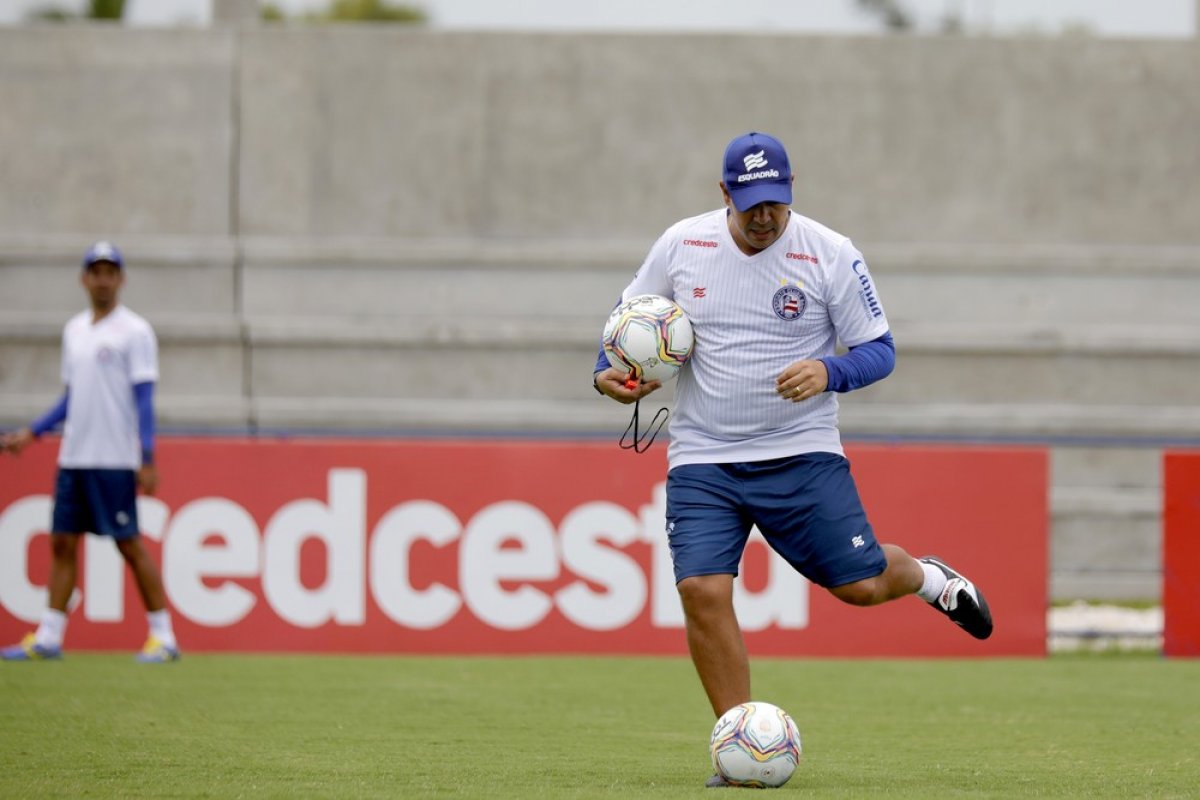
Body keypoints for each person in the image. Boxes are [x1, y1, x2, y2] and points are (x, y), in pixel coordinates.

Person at [592, 132, 992, 787]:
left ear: (790, 190)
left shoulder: (829, 254)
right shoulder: (681, 244)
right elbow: (626, 320)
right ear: (724, 193)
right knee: (701, 591)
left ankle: (925, 577)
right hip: (704, 460)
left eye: (775, 201)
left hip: (801, 456)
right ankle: (739, 746)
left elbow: (880, 349)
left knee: (860, 586)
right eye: (750, 203)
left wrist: (828, 371)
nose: (763, 216)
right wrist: (604, 373)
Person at [1, 241, 180, 664]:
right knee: (62, 543)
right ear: (84, 278)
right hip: (75, 457)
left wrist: (147, 457)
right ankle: (49, 635)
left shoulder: (135, 332)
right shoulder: (75, 331)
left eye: (110, 271)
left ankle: (164, 635)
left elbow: (145, 399)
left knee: (128, 545)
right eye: (96, 271)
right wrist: (35, 432)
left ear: (121, 279)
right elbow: (71, 398)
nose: (103, 279)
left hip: (114, 458)